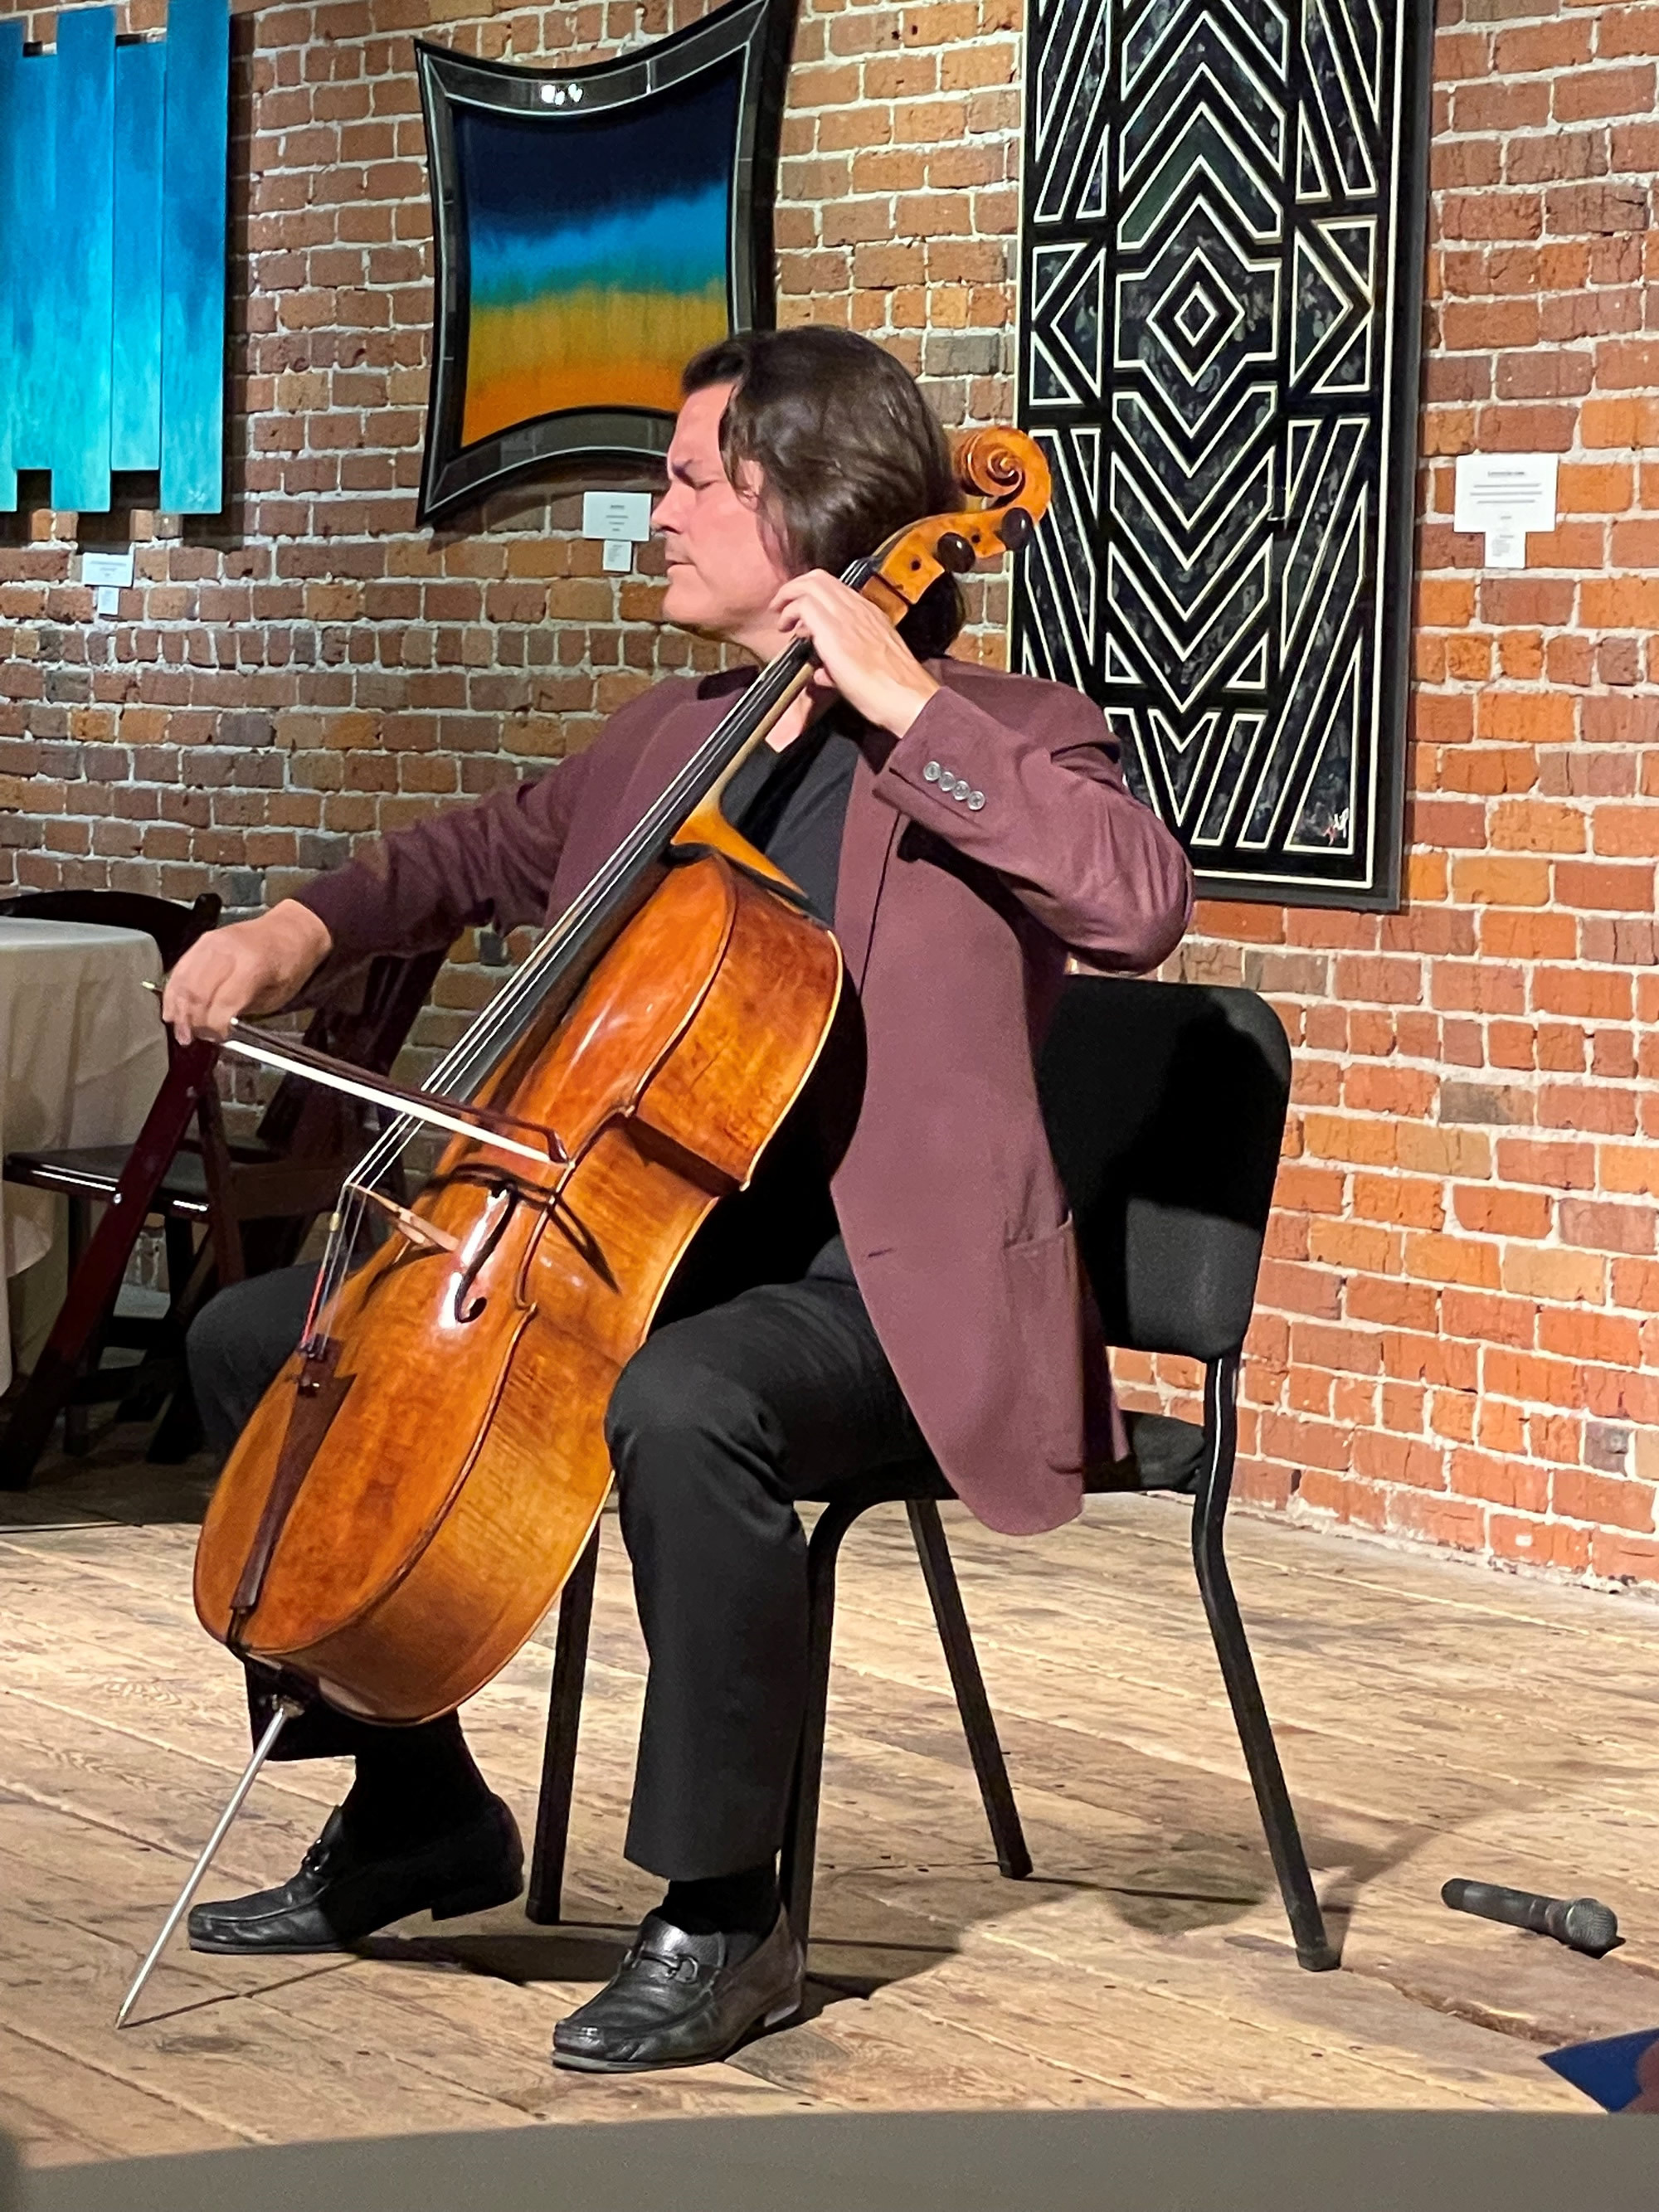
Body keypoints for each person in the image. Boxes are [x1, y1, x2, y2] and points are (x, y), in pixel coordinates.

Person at [164, 326, 1194, 2074]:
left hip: (880, 1291)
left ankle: (726, 1908)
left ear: (805, 504)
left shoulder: (1010, 735)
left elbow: (1135, 904)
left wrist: (907, 705)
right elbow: (473, 850)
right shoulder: (670, 738)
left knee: (686, 1401)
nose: (655, 513)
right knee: (266, 1338)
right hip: (646, 1251)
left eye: (689, 478)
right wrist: (295, 927)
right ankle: (418, 1806)